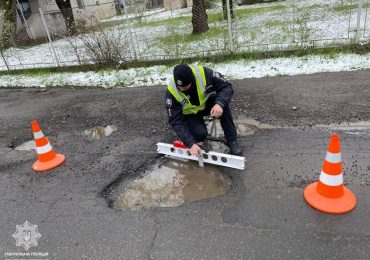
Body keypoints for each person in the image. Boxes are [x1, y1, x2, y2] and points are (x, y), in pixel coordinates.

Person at [165, 63, 242, 156]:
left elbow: (226, 87)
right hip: (191, 114)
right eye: (180, 87)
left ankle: (232, 140)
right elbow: (175, 120)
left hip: (206, 105)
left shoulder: (204, 73)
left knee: (223, 104)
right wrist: (190, 144)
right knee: (200, 135)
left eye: (185, 86)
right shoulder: (171, 91)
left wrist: (219, 104)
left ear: (192, 79)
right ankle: (193, 134)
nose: (183, 89)